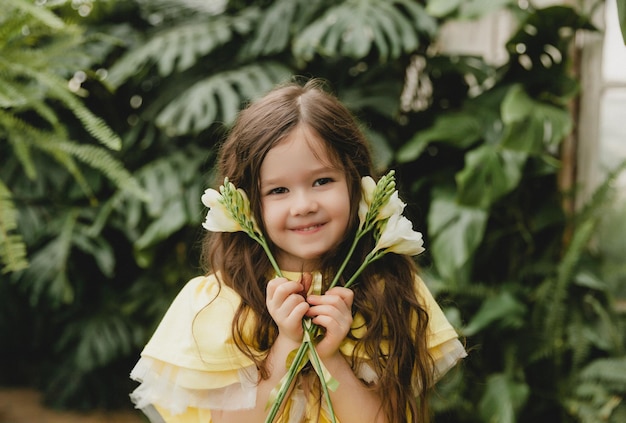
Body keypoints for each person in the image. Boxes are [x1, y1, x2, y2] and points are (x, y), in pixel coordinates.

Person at [129, 79, 466, 423]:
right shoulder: (218, 303)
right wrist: (287, 346)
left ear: (356, 182)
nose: (303, 205)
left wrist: (330, 357)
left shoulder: (389, 289)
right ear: (245, 203)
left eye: (322, 181)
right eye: (278, 190)